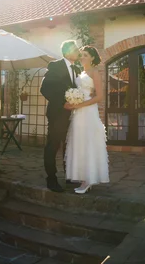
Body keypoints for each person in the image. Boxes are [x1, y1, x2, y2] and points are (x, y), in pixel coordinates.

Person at [64, 45, 110, 194]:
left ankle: (88, 179)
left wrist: (80, 105)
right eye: (81, 54)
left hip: (88, 111)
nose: (82, 57)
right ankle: (82, 176)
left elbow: (99, 96)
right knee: (79, 142)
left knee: (88, 142)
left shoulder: (95, 72)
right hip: (78, 113)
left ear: (92, 58)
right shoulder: (81, 72)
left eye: (85, 55)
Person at [40, 40, 81, 192]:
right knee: (53, 145)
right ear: (67, 52)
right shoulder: (55, 66)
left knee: (69, 146)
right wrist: (62, 103)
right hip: (57, 114)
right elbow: (45, 89)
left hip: (74, 115)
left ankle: (69, 176)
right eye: (75, 49)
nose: (78, 51)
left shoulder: (77, 68)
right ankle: (51, 178)